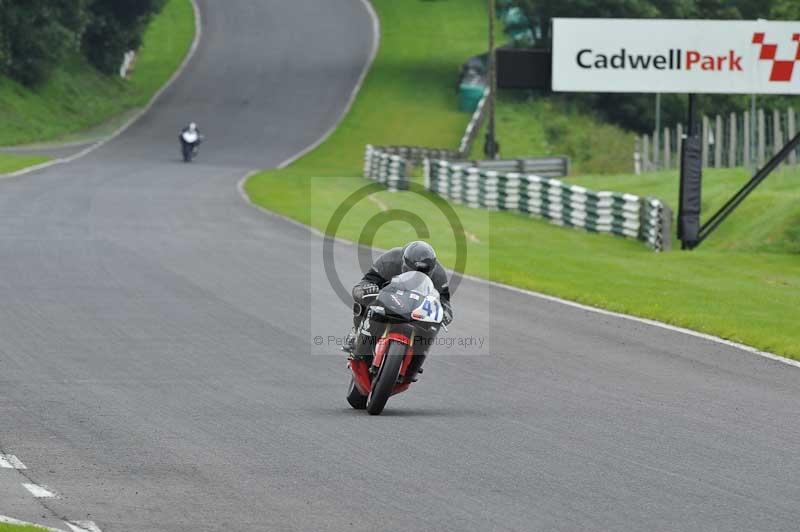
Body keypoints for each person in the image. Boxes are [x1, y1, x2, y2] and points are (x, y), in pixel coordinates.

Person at [343, 241, 453, 360]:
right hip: (389, 297)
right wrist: (368, 289)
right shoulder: (389, 260)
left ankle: (415, 362)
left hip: (417, 309)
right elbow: (363, 284)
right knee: (365, 299)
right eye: (411, 272)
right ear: (403, 263)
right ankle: (357, 332)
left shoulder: (439, 275)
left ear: (431, 271)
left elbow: (444, 301)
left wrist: (445, 312)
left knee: (433, 325)